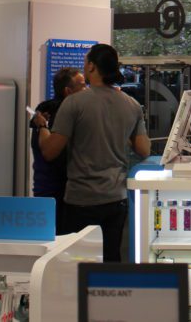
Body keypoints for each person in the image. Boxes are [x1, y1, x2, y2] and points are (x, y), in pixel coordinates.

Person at [36, 44, 150, 261]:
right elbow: (144, 149)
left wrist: (42, 126)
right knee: (110, 261)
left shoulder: (74, 102)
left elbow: (50, 151)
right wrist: (119, 131)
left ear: (91, 67)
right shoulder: (132, 104)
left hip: (82, 200)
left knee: (78, 265)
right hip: (116, 200)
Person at [30, 67, 86, 234]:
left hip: (47, 188)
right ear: (68, 91)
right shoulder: (60, 114)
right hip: (56, 189)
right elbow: (51, 154)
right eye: (82, 85)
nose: (87, 90)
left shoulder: (43, 112)